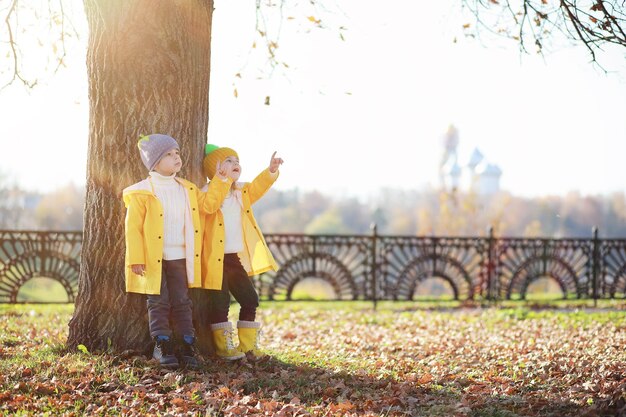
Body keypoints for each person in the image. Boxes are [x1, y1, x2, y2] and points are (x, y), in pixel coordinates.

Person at [123, 134, 230, 369]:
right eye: (169, 155)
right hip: (154, 260)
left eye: (177, 153)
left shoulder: (187, 188)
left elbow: (209, 205)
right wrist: (136, 259)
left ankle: (187, 344)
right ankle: (162, 344)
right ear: (155, 163)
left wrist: (220, 182)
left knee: (182, 301)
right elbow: (133, 229)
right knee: (158, 301)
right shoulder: (141, 192)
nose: (176, 158)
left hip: (181, 257)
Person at [200, 144, 283, 360]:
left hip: (233, 258)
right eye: (228, 161)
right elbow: (209, 207)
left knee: (250, 299)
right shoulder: (207, 192)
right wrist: (220, 181)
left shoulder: (240, 192)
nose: (235, 164)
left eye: (236, 161)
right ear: (215, 168)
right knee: (220, 303)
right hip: (214, 259)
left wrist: (271, 171)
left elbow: (258, 187)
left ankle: (248, 347)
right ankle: (224, 348)